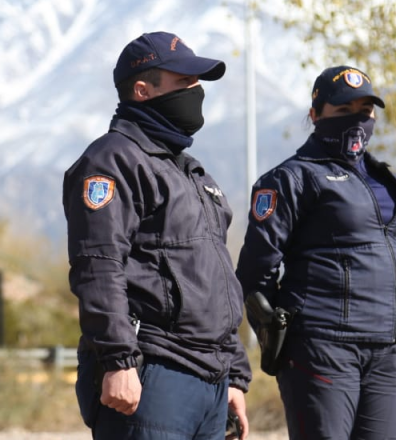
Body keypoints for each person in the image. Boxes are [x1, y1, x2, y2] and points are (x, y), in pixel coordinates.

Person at [63, 31, 251, 440]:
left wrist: (234, 374)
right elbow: (98, 266)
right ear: (143, 90)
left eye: (197, 83)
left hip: (211, 382)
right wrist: (117, 361)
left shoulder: (191, 172)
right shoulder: (112, 160)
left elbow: (215, 280)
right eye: (184, 82)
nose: (196, 91)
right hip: (153, 374)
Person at [236, 65, 396, 439]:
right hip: (323, 347)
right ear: (315, 114)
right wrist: (276, 337)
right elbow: (255, 272)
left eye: (366, 111)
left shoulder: (387, 179)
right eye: (344, 110)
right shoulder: (290, 179)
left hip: (392, 348)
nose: (358, 119)